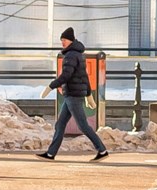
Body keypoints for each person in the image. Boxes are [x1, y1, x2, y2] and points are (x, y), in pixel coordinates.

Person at [38, 29, 109, 161]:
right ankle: (50, 153)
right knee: (60, 124)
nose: (62, 43)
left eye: (64, 40)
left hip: (73, 95)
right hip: (72, 95)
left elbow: (66, 76)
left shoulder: (70, 56)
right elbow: (84, 77)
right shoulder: (79, 55)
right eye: (61, 41)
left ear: (70, 40)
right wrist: (88, 95)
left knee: (82, 125)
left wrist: (50, 86)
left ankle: (102, 150)